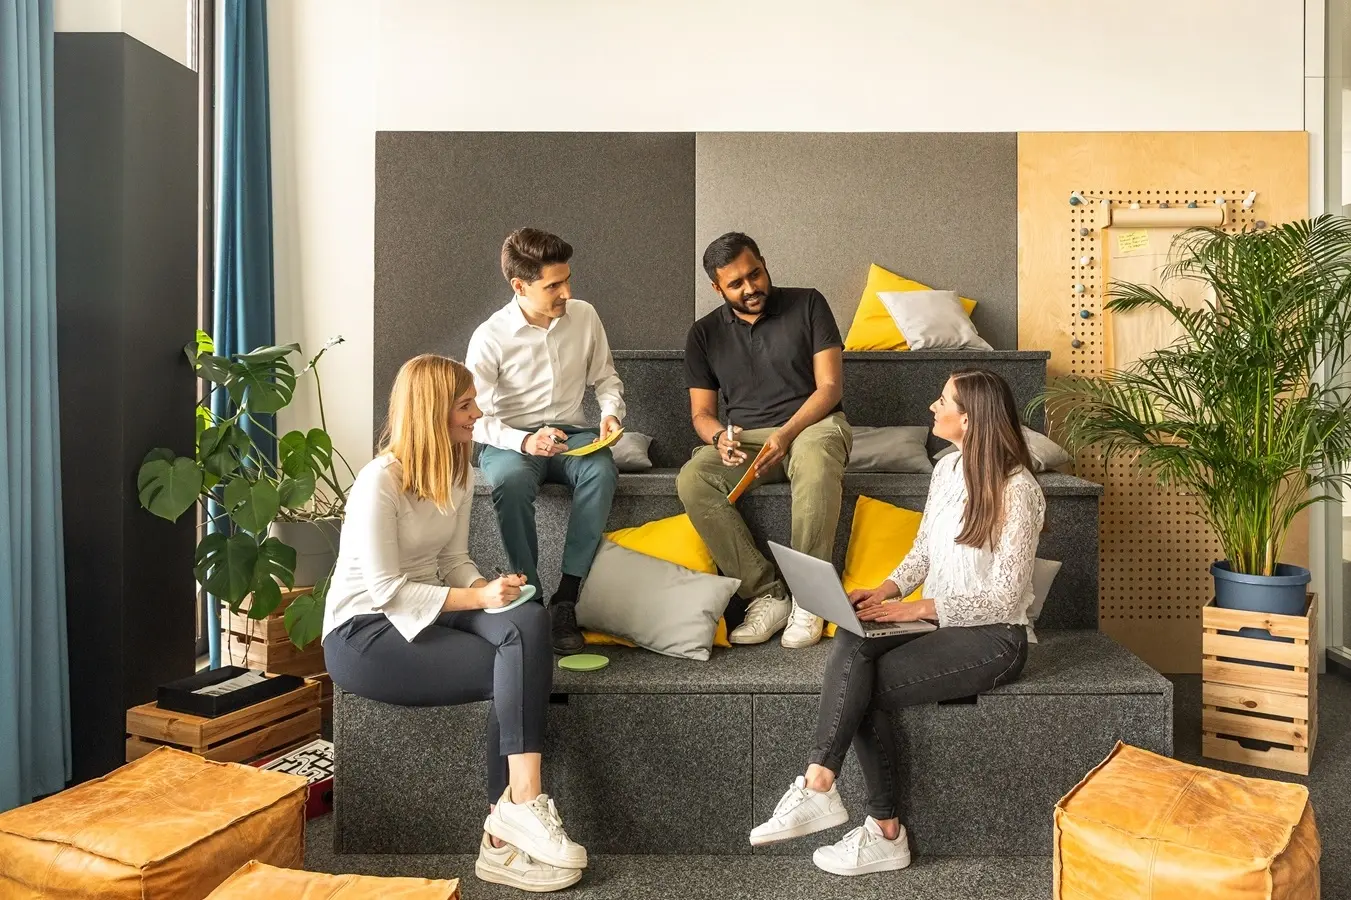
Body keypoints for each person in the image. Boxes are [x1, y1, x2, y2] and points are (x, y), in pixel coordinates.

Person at [749, 369, 1046, 877]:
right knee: (854, 633)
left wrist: (918, 609)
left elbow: (1005, 596)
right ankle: (821, 784)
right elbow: (924, 552)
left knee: (859, 689)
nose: (933, 407)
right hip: (938, 623)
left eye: (942, 400)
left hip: (994, 639)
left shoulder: (1020, 491)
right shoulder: (948, 470)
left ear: (970, 419)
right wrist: (885, 592)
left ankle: (881, 827)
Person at [322, 354, 586, 893]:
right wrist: (475, 596)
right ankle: (510, 824)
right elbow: (386, 590)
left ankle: (516, 813)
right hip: (364, 633)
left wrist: (495, 593)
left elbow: (452, 561)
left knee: (528, 624)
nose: (477, 413)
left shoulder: (458, 470)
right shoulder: (381, 481)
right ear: (432, 412)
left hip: (432, 606)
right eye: (466, 405)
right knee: (509, 664)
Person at [677, 232, 851, 649]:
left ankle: (810, 599)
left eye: (755, 274)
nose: (750, 287)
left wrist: (786, 433)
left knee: (814, 459)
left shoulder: (808, 303)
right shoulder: (703, 334)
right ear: (717, 288)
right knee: (693, 477)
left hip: (813, 425)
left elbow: (829, 387)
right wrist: (719, 438)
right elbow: (701, 415)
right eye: (736, 283)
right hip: (748, 441)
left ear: (764, 263)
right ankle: (766, 594)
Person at [466, 228, 624, 655]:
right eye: (553, 285)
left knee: (602, 470)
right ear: (519, 286)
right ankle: (530, 596)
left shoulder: (585, 316)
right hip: (510, 440)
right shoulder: (490, 336)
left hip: (573, 435)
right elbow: (474, 418)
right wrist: (524, 441)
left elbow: (606, 379)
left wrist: (611, 412)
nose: (566, 292)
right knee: (511, 483)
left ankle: (566, 598)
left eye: (567, 279)